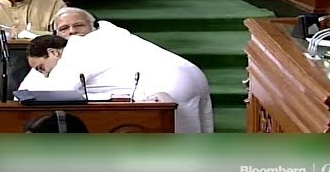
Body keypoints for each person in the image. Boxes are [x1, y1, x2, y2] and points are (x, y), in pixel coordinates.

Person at [23, 23, 214, 133]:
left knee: (180, 145)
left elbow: (58, 92)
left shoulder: (73, 54)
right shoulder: (95, 39)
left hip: (169, 84)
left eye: (41, 68)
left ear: (53, 52)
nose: (44, 73)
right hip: (193, 74)